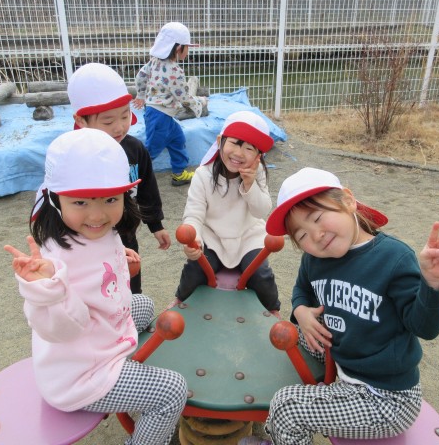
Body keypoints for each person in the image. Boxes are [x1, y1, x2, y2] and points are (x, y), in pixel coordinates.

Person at [240, 167, 439, 445]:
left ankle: (289, 428)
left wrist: (432, 283)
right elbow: (302, 289)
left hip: (386, 398)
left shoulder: (393, 258)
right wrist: (301, 311)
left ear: (348, 201)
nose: (316, 235)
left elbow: (425, 327)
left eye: (317, 217)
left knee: (287, 407)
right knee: (287, 336)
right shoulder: (314, 259)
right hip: (344, 356)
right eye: (301, 235)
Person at [4, 129, 187, 445]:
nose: (98, 215)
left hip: (100, 336)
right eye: (80, 202)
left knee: (143, 304)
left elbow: (97, 259)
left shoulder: (95, 231)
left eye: (111, 199)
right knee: (172, 391)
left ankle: (127, 368)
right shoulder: (54, 261)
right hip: (79, 374)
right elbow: (62, 330)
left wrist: (118, 258)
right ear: (54, 199)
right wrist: (48, 289)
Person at [68, 62, 171, 294]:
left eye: (125, 116)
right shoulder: (73, 156)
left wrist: (156, 225)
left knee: (130, 289)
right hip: (88, 241)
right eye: (108, 121)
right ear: (81, 120)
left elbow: (147, 189)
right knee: (95, 292)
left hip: (126, 235)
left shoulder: (134, 149)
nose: (119, 127)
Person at [169, 110, 281, 317]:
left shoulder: (258, 173)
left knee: (261, 274)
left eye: (249, 148)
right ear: (220, 141)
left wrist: (250, 185)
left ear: (258, 156)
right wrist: (194, 239)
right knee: (195, 269)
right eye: (235, 143)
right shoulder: (203, 174)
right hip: (213, 237)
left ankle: (272, 310)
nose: (239, 153)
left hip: (247, 235)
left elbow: (261, 211)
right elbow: (194, 214)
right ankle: (181, 300)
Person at [133, 21, 208, 186]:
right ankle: (131, 178)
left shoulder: (154, 61)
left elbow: (140, 76)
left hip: (160, 114)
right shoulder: (175, 71)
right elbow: (183, 97)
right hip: (160, 116)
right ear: (178, 48)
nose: (188, 51)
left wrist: (141, 94)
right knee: (152, 149)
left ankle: (179, 173)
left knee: (177, 139)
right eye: (187, 47)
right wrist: (200, 103)